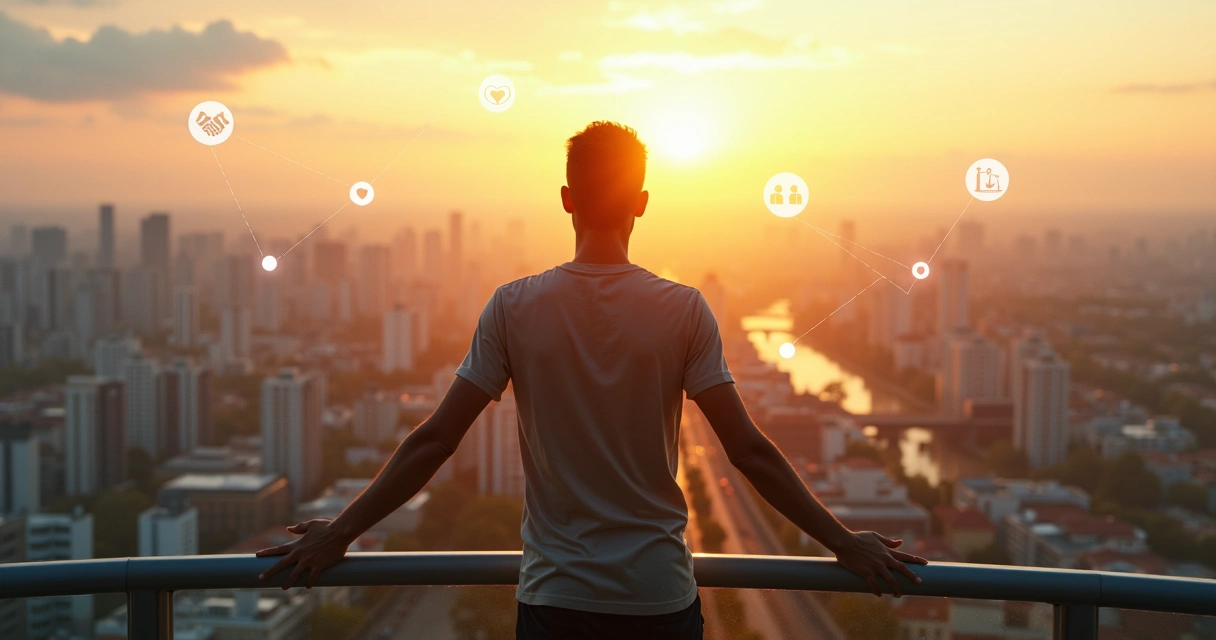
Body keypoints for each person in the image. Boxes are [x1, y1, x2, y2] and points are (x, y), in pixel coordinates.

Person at [256, 121, 926, 639]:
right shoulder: (683, 309)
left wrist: (340, 532)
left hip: (556, 601)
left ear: (566, 200)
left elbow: (434, 441)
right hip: (657, 599)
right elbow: (748, 451)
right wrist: (844, 542)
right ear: (642, 202)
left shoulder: (513, 306)